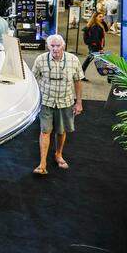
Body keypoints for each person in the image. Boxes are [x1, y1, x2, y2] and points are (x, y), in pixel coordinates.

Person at [32, 33, 84, 175]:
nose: (55, 49)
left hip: (65, 102)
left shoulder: (73, 60)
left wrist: (78, 102)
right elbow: (32, 79)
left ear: (64, 46)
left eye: (58, 45)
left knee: (61, 131)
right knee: (45, 131)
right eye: (52, 46)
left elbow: (78, 81)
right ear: (48, 46)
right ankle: (42, 164)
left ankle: (58, 154)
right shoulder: (40, 60)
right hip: (46, 101)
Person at [81, 10, 107, 75]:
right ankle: (104, 73)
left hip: (94, 46)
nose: (102, 18)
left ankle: (81, 73)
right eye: (100, 17)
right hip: (95, 46)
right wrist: (100, 48)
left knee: (89, 59)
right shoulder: (96, 27)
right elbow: (96, 39)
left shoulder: (99, 24)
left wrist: (103, 21)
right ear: (95, 18)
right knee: (93, 59)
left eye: (102, 17)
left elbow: (106, 29)